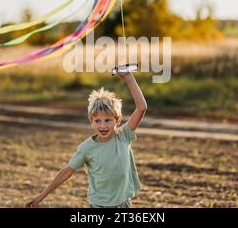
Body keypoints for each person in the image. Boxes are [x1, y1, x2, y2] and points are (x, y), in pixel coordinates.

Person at [26, 71, 147, 208]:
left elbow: (141, 108)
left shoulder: (124, 135)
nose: (103, 125)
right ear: (91, 121)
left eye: (108, 120)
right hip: (98, 206)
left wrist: (129, 78)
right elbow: (67, 171)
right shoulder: (86, 148)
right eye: (97, 121)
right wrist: (41, 196)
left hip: (123, 204)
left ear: (118, 120)